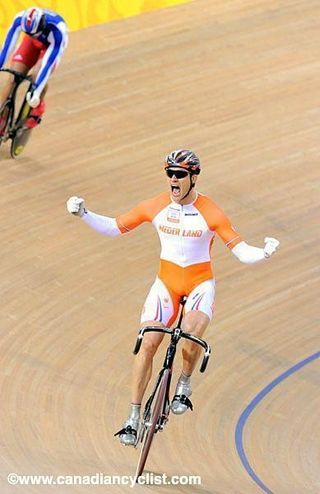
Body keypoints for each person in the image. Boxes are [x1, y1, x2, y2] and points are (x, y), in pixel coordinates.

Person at [66, 149, 280, 446]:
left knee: (191, 337)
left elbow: (241, 250)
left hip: (199, 285)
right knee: (148, 342)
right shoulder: (155, 206)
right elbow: (116, 228)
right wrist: (84, 214)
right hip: (165, 283)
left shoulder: (211, 212)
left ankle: (184, 383)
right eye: (169, 173)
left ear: (194, 177)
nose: (173, 179)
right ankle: (132, 416)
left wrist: (264, 253)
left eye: (179, 174)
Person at [0, 7, 68, 133]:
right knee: (12, 77)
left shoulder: (57, 31)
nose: (32, 35)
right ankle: (2, 117)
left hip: (49, 47)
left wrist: (36, 92)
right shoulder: (20, 19)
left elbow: (47, 65)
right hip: (30, 44)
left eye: (34, 33)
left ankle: (38, 106)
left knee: (37, 76)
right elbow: (8, 47)